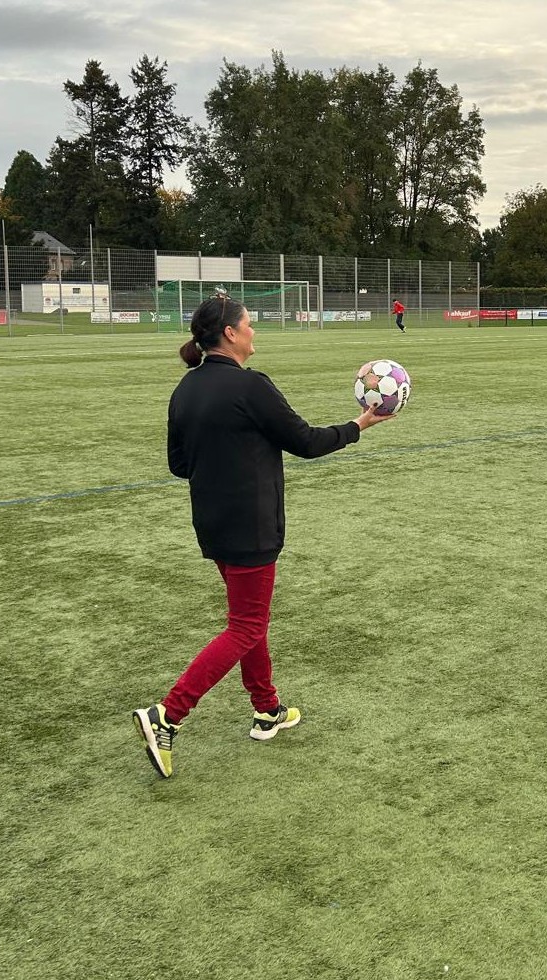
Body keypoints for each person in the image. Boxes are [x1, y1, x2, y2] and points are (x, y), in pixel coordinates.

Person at [132, 296, 392, 779]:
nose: (255, 331)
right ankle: (167, 715)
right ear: (229, 334)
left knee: (249, 619)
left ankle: (267, 709)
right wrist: (360, 425)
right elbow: (307, 443)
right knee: (247, 626)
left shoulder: (185, 389)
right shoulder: (251, 387)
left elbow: (178, 465)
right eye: (249, 324)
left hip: (211, 524)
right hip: (251, 526)